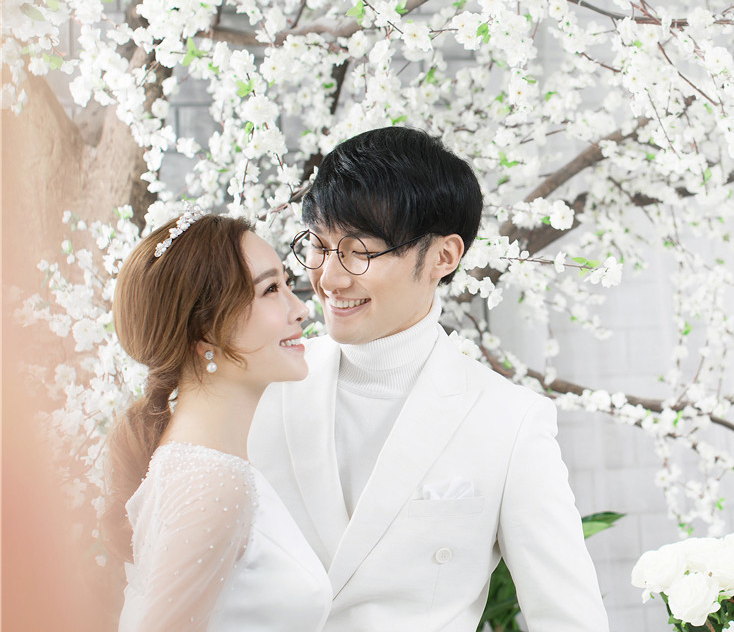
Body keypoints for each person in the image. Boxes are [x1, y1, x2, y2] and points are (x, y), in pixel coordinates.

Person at [248, 126, 609, 631]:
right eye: (319, 246)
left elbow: (569, 618)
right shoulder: (259, 385)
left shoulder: (508, 421)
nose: (329, 278)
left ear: (444, 257)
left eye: (359, 251)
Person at [105, 209, 332, 632]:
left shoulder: (206, 466)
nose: (301, 308)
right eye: (270, 290)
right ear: (206, 329)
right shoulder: (212, 482)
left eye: (287, 284)